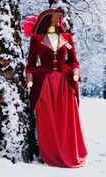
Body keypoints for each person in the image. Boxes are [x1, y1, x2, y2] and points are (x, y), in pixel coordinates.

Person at [24, 9, 87, 168]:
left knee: (65, 118)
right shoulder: (37, 39)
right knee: (47, 119)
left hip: (64, 84)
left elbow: (74, 61)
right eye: (53, 18)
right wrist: (30, 80)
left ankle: (68, 151)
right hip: (44, 83)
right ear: (45, 20)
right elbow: (31, 65)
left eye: (58, 18)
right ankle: (50, 153)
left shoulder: (66, 38)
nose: (57, 20)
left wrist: (74, 73)